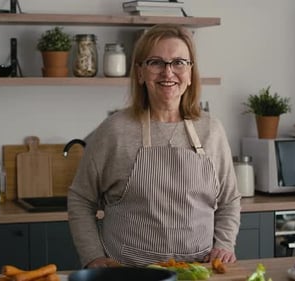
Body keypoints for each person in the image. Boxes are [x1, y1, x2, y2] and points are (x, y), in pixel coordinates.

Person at [68, 23, 241, 269]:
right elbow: (80, 198)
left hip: (197, 272)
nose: (168, 73)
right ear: (140, 73)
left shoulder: (212, 130)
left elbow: (229, 200)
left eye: (179, 62)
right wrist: (93, 256)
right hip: (128, 272)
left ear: (191, 73)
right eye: (156, 62)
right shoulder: (114, 130)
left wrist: (224, 244)